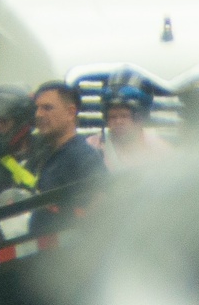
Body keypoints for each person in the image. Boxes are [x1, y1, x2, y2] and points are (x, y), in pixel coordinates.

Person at [28, 81, 112, 211]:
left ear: (71, 113)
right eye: (37, 108)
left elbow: (100, 208)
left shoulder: (84, 158)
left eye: (47, 108)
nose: (38, 114)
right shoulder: (40, 154)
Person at [101, 83, 163, 169]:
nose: (118, 122)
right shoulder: (96, 146)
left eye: (124, 116)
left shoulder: (159, 148)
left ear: (139, 119)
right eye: (113, 117)